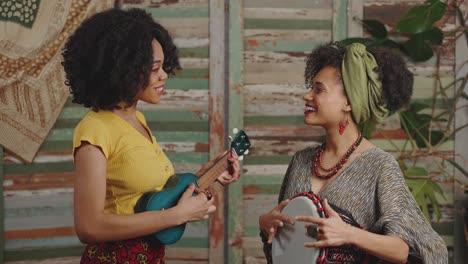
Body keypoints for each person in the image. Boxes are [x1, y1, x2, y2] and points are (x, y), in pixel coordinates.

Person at [62, 8, 240, 263]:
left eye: (163, 66)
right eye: (154, 68)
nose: (164, 75)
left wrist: (210, 175)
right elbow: (88, 227)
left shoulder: (137, 120)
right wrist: (177, 216)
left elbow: (151, 198)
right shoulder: (95, 130)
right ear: (122, 70)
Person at [258, 42, 448, 263]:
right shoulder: (300, 161)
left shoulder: (380, 166)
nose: (307, 96)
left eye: (318, 89)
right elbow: (285, 249)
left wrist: (349, 233)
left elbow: (403, 250)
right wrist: (265, 225)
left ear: (348, 102)